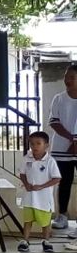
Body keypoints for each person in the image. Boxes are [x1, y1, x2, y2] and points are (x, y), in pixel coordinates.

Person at [18, 131, 60, 253]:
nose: (34, 146)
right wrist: (26, 184)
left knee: (45, 222)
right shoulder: (27, 158)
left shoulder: (50, 161)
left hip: (43, 199)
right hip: (29, 197)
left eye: (38, 143)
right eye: (32, 144)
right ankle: (25, 241)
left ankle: (46, 241)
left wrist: (42, 186)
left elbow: (56, 178)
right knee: (27, 220)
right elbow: (22, 173)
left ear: (46, 145)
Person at [49, 64, 77, 231]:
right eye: (66, 76)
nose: (67, 80)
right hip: (62, 148)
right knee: (64, 182)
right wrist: (72, 139)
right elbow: (54, 122)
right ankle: (62, 216)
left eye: (72, 77)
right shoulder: (59, 98)